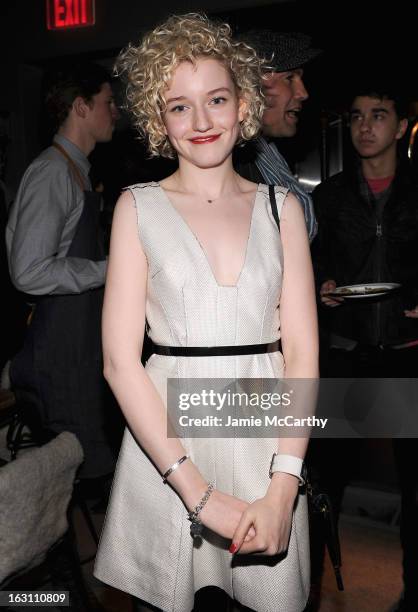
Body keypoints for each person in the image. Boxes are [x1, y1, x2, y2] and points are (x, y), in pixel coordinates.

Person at [93, 13, 318, 612]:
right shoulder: (136, 208)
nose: (200, 121)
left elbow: (302, 355)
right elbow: (120, 362)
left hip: (264, 443)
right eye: (178, 106)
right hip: (168, 450)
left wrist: (283, 486)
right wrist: (198, 495)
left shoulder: (282, 209)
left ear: (243, 104)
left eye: (216, 99)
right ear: (157, 119)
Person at [312, 81, 418, 612]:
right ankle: (302, 590)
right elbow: (309, 263)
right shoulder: (327, 196)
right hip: (347, 353)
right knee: (322, 482)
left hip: (408, 354)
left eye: (379, 115)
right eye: (356, 116)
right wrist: (322, 285)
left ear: (401, 126)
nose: (365, 126)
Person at [6, 62, 121, 480]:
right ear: (81, 106)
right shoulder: (52, 173)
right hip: (57, 359)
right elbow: (29, 271)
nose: (116, 112)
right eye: (108, 103)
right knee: (84, 477)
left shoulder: (76, 174)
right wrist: (111, 270)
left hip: (77, 352)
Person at [235, 30, 321, 242]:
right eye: (289, 78)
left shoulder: (265, 149)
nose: (303, 93)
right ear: (250, 87)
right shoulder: (232, 162)